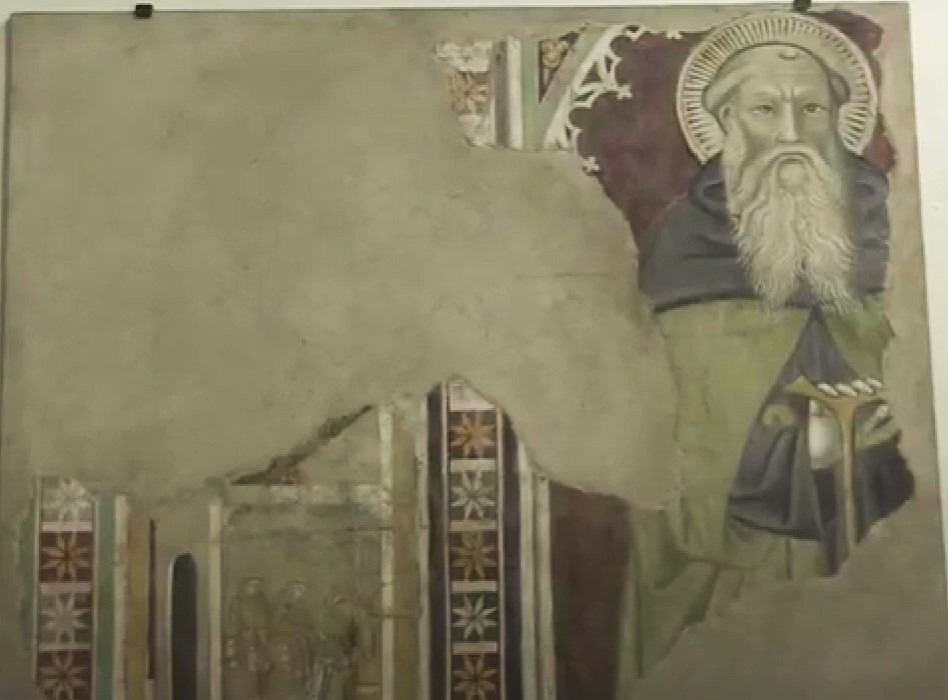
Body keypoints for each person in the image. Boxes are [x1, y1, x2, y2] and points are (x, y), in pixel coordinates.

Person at [617, 12, 914, 692]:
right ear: (723, 124)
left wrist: (896, 432)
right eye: (763, 109)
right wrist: (794, 450)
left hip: (879, 557)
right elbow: (669, 449)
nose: (789, 133)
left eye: (811, 108)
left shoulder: (898, 234)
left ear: (840, 121)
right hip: (737, 572)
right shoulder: (682, 253)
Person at [224, 576, 272, 700]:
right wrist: (240, 635)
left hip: (261, 640)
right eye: (251, 585)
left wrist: (263, 635)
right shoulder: (237, 602)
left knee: (264, 666)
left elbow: (266, 622)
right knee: (248, 670)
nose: (254, 588)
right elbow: (232, 625)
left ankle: (261, 694)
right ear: (245, 585)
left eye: (257, 585)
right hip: (243, 641)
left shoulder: (262, 602)